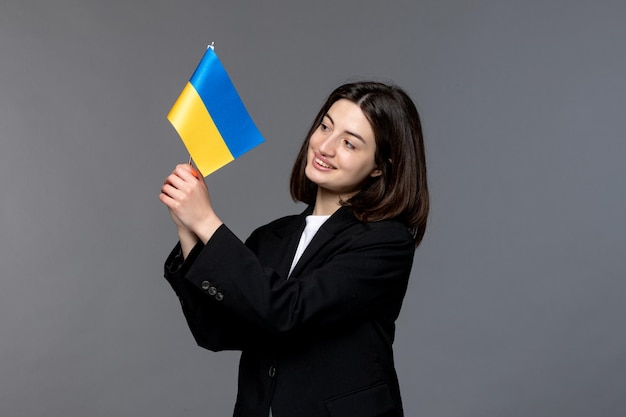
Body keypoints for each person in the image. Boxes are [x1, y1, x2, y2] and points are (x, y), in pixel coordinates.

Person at [160, 81, 429, 417]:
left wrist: (206, 221)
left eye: (349, 143)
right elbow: (217, 331)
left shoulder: (385, 241)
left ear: (379, 166)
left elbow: (287, 311)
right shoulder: (273, 236)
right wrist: (188, 228)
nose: (325, 147)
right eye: (325, 126)